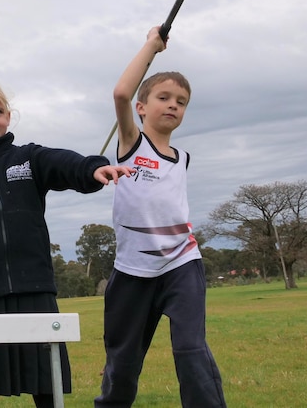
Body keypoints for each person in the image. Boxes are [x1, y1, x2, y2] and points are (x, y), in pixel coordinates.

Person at [0, 80, 133, 408]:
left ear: (9, 115)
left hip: (33, 286)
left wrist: (93, 168)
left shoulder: (27, 158)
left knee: (46, 380)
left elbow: (64, 164)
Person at [95, 27, 226, 407]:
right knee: (122, 363)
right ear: (141, 107)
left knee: (191, 349)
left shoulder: (183, 157)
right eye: (163, 97)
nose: (173, 105)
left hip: (182, 263)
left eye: (181, 101)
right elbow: (120, 92)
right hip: (133, 270)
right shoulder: (132, 144)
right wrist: (152, 46)